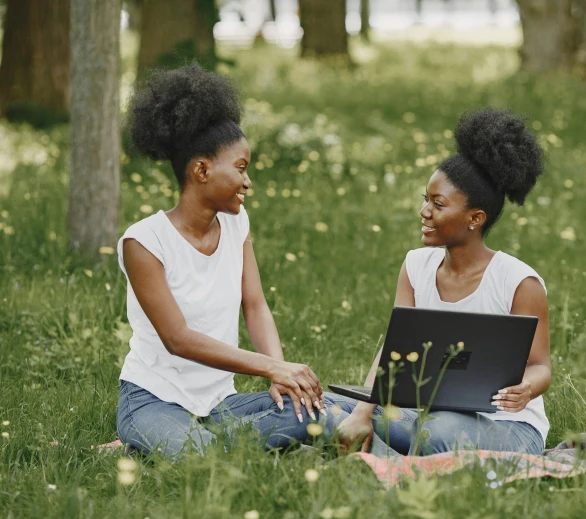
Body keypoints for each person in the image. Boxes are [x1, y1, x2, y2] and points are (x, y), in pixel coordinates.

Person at [116, 65, 336, 458]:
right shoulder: (144, 241)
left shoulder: (236, 225)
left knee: (329, 409)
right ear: (201, 170)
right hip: (153, 400)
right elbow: (177, 338)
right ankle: (145, 437)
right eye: (240, 168)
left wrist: (281, 375)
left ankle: (158, 445)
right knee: (206, 460)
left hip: (219, 404)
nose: (248, 181)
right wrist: (269, 369)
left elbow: (254, 304)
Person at [332, 108, 551, 456]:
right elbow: (394, 350)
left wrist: (525, 388)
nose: (424, 212)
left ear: (474, 219)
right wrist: (361, 412)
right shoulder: (416, 265)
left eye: (438, 204)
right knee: (335, 407)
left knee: (436, 430)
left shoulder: (519, 282)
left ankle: (383, 458)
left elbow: (540, 366)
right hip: (429, 416)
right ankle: (387, 454)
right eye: (425, 199)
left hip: (509, 429)